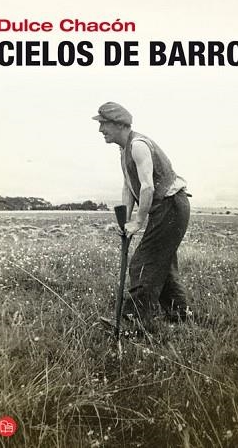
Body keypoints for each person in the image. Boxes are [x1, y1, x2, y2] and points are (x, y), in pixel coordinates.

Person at [92, 102, 191, 332]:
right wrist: (126, 221)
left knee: (143, 263)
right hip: (166, 208)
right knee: (162, 264)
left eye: (103, 124)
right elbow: (129, 187)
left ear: (119, 124)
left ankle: (132, 321)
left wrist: (138, 221)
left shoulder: (138, 146)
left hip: (171, 205)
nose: (100, 130)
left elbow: (147, 188)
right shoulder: (123, 149)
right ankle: (180, 314)